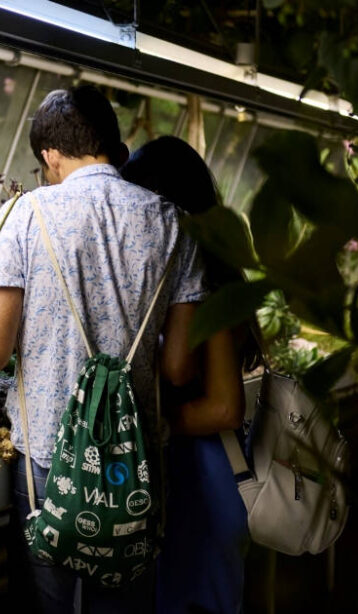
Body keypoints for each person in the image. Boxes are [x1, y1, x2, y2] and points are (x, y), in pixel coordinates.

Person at [0, 87, 208, 612]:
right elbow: (176, 368)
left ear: (50, 156)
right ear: (110, 143)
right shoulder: (174, 224)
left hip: (46, 459)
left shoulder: (24, 215)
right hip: (133, 459)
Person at [121, 135, 250, 613]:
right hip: (202, 482)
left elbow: (223, 407)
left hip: (202, 484)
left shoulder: (206, 287)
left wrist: (153, 428)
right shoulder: (214, 271)